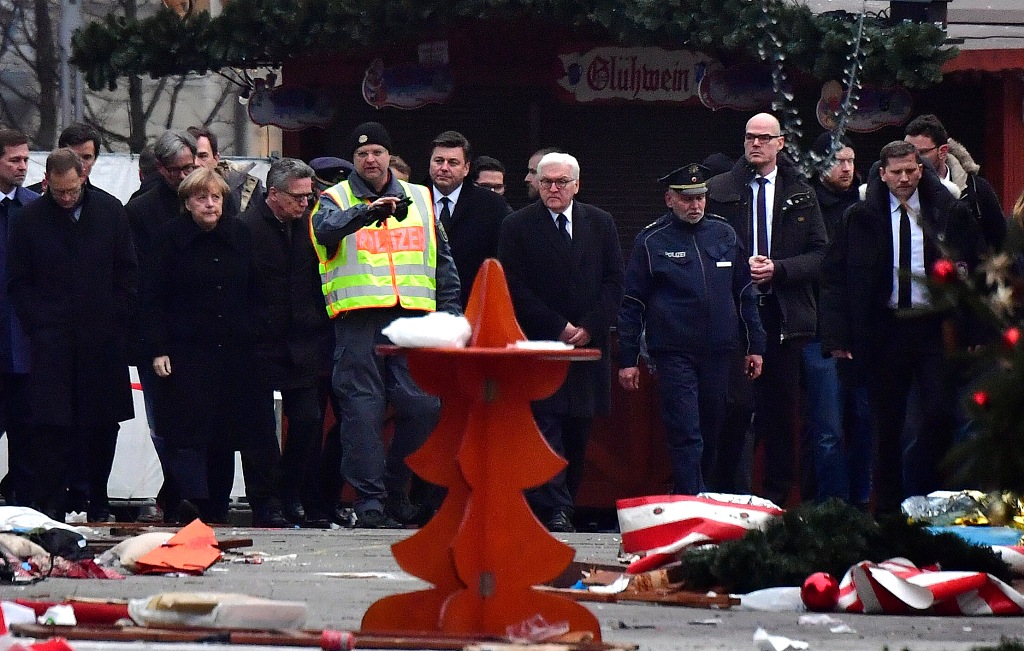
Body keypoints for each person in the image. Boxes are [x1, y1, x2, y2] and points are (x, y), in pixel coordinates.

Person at [310, 121, 461, 528]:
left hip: (412, 319)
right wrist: (365, 212)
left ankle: (396, 490)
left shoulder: (421, 198)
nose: (370, 160)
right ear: (354, 161)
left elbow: (441, 262)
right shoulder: (333, 198)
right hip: (358, 322)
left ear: (387, 157)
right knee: (362, 413)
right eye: (361, 155)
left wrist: (452, 318)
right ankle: (370, 503)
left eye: (376, 152)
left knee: (423, 406)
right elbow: (324, 233)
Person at [819, 140, 978, 515]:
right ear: (882, 174)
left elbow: (975, 269)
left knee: (940, 412)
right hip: (884, 328)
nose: (904, 178)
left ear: (920, 170)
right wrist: (838, 336)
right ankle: (888, 513)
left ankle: (932, 501)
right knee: (885, 424)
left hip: (933, 328)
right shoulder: (860, 217)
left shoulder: (947, 211)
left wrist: (972, 332)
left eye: (911, 170)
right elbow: (834, 278)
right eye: (896, 172)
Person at [142, 167, 286, 526]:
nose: (210, 204)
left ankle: (222, 506)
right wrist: (158, 347)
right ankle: (190, 502)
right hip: (188, 350)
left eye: (216, 197)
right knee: (189, 431)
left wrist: (257, 332)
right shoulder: (168, 239)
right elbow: (152, 298)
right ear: (187, 202)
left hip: (237, 351)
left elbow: (257, 290)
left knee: (232, 431)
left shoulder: (239, 234)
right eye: (202, 198)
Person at [618, 164, 764, 494]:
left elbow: (744, 292)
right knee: (686, 429)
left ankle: (703, 492)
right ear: (669, 199)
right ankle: (690, 498)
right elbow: (633, 303)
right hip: (674, 352)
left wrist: (756, 344)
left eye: (700, 198)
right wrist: (627, 358)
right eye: (686, 199)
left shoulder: (724, 233)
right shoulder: (651, 240)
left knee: (713, 427)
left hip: (720, 352)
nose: (695, 205)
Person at [8, 147, 137, 522]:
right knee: (51, 425)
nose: (66, 198)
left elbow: (127, 272)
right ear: (47, 182)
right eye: (59, 192)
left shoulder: (110, 211)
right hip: (52, 341)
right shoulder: (30, 219)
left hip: (102, 340)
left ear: (83, 178)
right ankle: (52, 500)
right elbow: (19, 281)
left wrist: (114, 317)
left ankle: (98, 497)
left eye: (72, 191)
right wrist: (39, 323)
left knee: (101, 424)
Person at [705, 113, 828, 505]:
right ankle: (729, 495)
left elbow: (822, 255)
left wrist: (780, 269)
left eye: (763, 138)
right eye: (749, 138)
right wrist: (743, 270)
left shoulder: (801, 191)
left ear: (781, 143)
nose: (755, 144)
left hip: (783, 315)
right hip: (734, 315)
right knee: (736, 408)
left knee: (781, 413)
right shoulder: (719, 188)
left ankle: (776, 498)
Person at [499, 152, 624, 532]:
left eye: (561, 182)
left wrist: (588, 325)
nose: (553, 188)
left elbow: (615, 281)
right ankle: (555, 507)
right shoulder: (516, 225)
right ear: (535, 182)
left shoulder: (600, 223)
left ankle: (565, 501)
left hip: (587, 347)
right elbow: (513, 286)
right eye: (546, 181)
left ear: (576, 185)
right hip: (541, 345)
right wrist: (557, 325)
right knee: (546, 426)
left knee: (578, 429)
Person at [241, 158, 333, 527]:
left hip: (303, 340)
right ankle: (265, 501)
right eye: (297, 197)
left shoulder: (310, 225)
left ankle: (290, 491)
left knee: (309, 420)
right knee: (260, 430)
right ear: (274, 195)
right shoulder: (246, 229)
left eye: (308, 196)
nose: (305, 203)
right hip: (260, 342)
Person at [125, 128, 198, 522]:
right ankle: (177, 491)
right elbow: (139, 282)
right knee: (163, 420)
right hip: (158, 331)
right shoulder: (143, 210)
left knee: (195, 418)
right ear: (162, 170)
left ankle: (184, 494)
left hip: (198, 332)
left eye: (192, 165)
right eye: (179, 169)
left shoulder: (208, 200)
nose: (187, 174)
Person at [804, 132, 873, 507]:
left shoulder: (868, 203)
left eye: (849, 160)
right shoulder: (807, 203)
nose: (845, 168)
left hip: (864, 333)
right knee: (827, 427)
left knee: (864, 423)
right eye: (836, 160)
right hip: (820, 331)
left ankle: (861, 504)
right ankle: (831, 505)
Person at [429, 131, 511, 306]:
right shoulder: (413, 198)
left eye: (453, 162)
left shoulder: (492, 205)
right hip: (421, 307)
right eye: (438, 161)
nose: (444, 168)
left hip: (473, 305)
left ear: (466, 168)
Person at [904, 114, 1005, 253]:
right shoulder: (896, 190)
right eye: (907, 151)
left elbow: (1000, 242)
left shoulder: (976, 189)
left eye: (921, 153)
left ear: (943, 151)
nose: (912, 159)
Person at [0, 129, 37, 507]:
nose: (23, 167)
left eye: (25, 159)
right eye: (14, 160)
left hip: (26, 342)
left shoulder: (34, 208)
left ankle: (24, 505)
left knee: (27, 434)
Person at [188, 125, 264, 217]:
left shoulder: (244, 190)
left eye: (203, 156)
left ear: (216, 159)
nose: (196, 163)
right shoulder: (171, 190)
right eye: (190, 156)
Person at [27, 123, 113, 198]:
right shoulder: (28, 198)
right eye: (73, 157)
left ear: (94, 159)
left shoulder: (107, 206)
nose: (80, 164)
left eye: (86, 157)